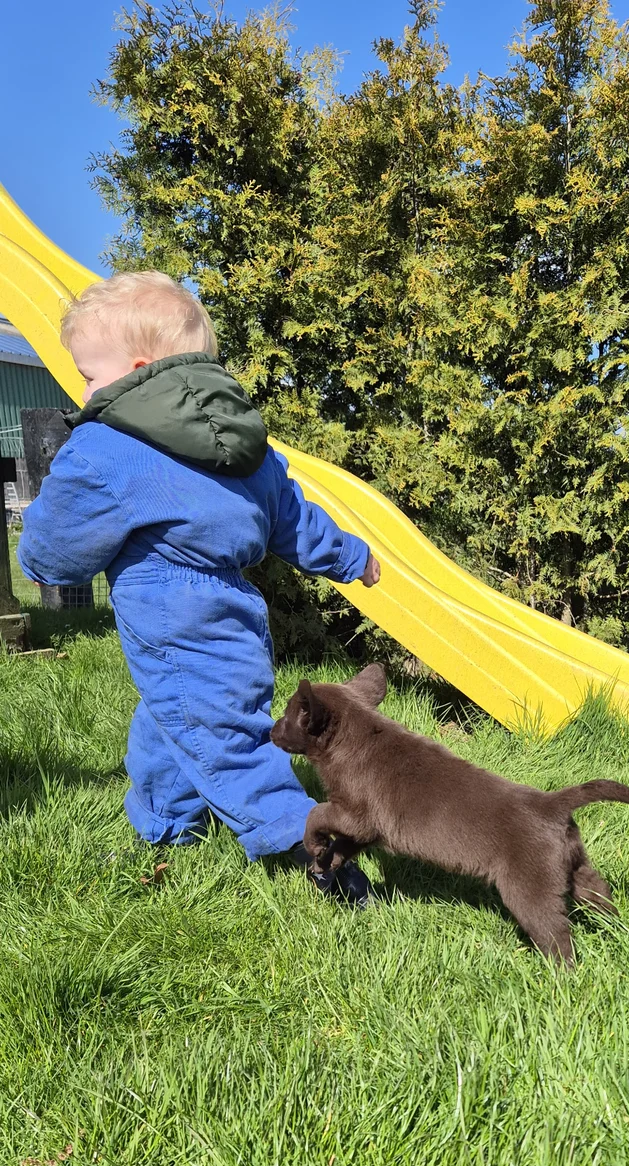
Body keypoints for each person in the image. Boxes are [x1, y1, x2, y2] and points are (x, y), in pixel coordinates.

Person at [18, 270, 378, 903]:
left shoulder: (106, 446)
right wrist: (352, 556)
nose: (84, 389)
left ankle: (321, 853)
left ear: (133, 370)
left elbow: (56, 553)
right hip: (236, 605)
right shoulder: (246, 449)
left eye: (87, 375)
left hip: (168, 610)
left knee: (227, 742)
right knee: (169, 719)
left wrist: (40, 556)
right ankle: (162, 831)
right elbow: (291, 520)